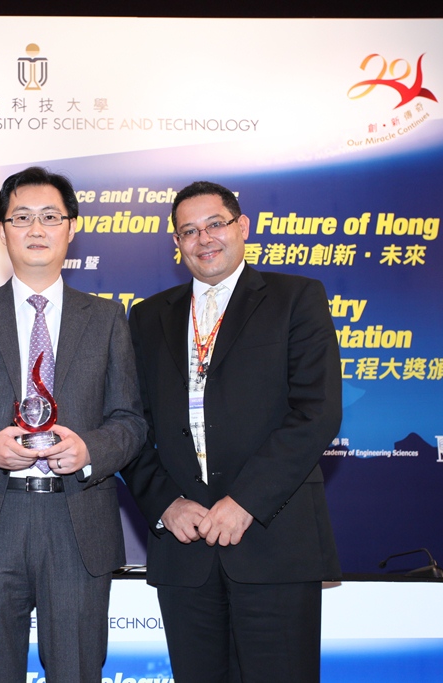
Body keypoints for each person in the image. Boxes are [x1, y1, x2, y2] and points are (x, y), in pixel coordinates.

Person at [0, 167, 146, 682]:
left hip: (77, 523)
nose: (36, 229)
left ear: (72, 227)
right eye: (21, 217)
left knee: (77, 671)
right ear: (2, 232)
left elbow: (130, 420)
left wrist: (91, 449)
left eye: (50, 217)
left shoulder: (108, 318)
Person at [121, 181, 341, 682]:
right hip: (184, 547)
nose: (204, 239)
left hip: (273, 537)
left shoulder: (296, 298)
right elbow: (130, 423)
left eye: (215, 224)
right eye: (188, 231)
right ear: (177, 245)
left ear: (242, 227)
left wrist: (244, 502)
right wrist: (163, 504)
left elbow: (316, 412)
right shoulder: (150, 315)